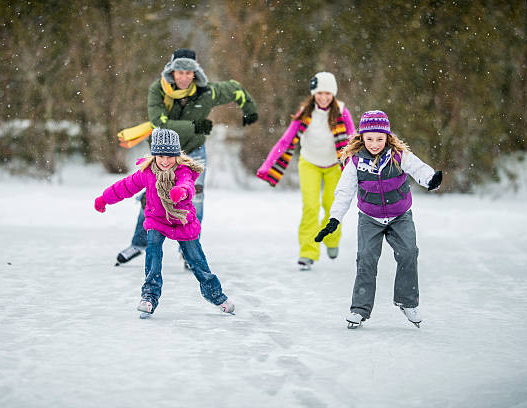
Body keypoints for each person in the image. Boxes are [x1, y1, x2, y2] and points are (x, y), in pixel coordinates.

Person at [116, 48, 258, 266]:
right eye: (179, 72)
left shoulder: (206, 92)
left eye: (188, 72)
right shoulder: (159, 90)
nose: (183, 77)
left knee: (195, 198)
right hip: (161, 155)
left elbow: (235, 89)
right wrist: (194, 126)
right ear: (172, 72)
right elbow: (159, 124)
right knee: (152, 198)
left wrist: (249, 108)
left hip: (194, 153)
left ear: (195, 74)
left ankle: (189, 253)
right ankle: (138, 243)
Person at [314, 110, 443, 328]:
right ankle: (359, 310)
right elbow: (344, 192)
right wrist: (334, 219)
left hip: (400, 216)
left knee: (409, 252)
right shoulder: (355, 162)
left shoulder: (399, 155)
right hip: (369, 219)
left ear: (388, 137)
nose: (374, 144)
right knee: (366, 259)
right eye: (370, 139)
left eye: (380, 139)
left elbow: (418, 168)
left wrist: (431, 180)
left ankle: (407, 301)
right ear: (362, 137)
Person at [95, 128, 235, 317]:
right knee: (152, 252)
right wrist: (104, 199)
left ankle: (216, 295)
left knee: (196, 260)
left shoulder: (183, 171)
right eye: (161, 155)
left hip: (182, 221)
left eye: (170, 155)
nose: (165, 160)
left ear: (177, 155)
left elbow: (187, 184)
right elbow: (126, 186)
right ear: (154, 155)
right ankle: (149, 296)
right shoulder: (147, 173)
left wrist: (182, 192)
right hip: (157, 220)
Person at [256, 72, 356, 270]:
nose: (323, 97)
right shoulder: (305, 113)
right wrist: (267, 165)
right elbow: (285, 140)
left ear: (333, 94)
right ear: (313, 94)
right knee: (310, 207)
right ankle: (307, 253)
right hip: (309, 163)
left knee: (331, 206)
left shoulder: (342, 112)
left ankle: (332, 239)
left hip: (335, 165)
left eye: (327, 93)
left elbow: (353, 139)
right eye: (319, 93)